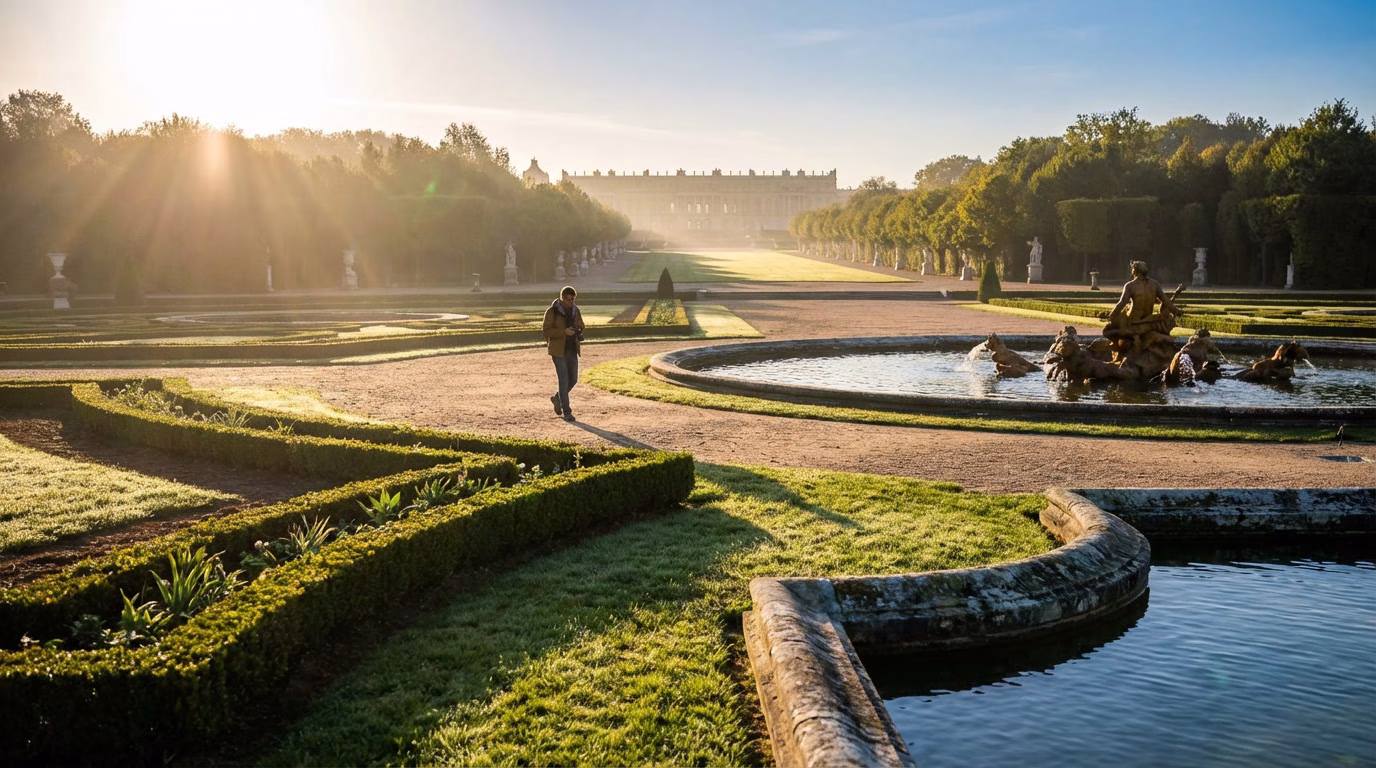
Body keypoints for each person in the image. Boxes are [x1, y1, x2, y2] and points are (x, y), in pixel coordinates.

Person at [543, 285, 586, 421]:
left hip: (572, 349)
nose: (571, 302)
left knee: (573, 379)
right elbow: (546, 331)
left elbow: (582, 325)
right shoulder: (552, 312)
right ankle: (567, 412)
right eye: (568, 299)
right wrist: (563, 332)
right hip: (558, 351)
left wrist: (578, 329)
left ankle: (557, 398)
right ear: (562, 298)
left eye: (573, 299)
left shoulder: (575, 310)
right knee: (564, 380)